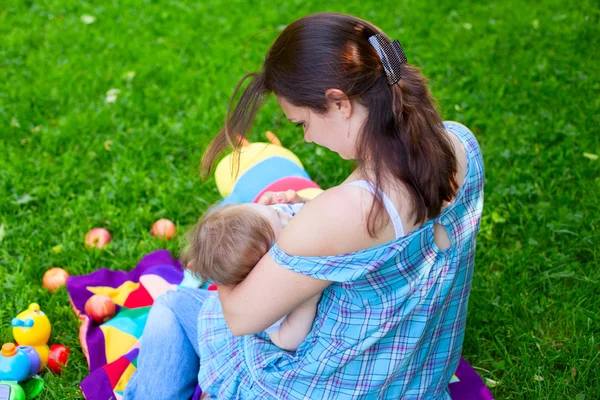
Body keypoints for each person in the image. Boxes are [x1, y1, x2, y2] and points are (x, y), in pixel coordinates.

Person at [124, 11, 484, 400]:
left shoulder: (338, 215)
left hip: (315, 388)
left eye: (302, 123)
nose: (308, 138)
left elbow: (240, 317)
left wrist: (216, 258)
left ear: (339, 103)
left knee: (176, 305)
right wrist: (303, 207)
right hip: (412, 382)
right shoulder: (460, 145)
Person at [182, 199, 320, 351]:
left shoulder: (277, 217)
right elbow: (285, 340)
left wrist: (298, 199)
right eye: (282, 226)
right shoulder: (269, 294)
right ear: (261, 272)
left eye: (274, 210)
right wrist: (306, 304)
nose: (287, 217)